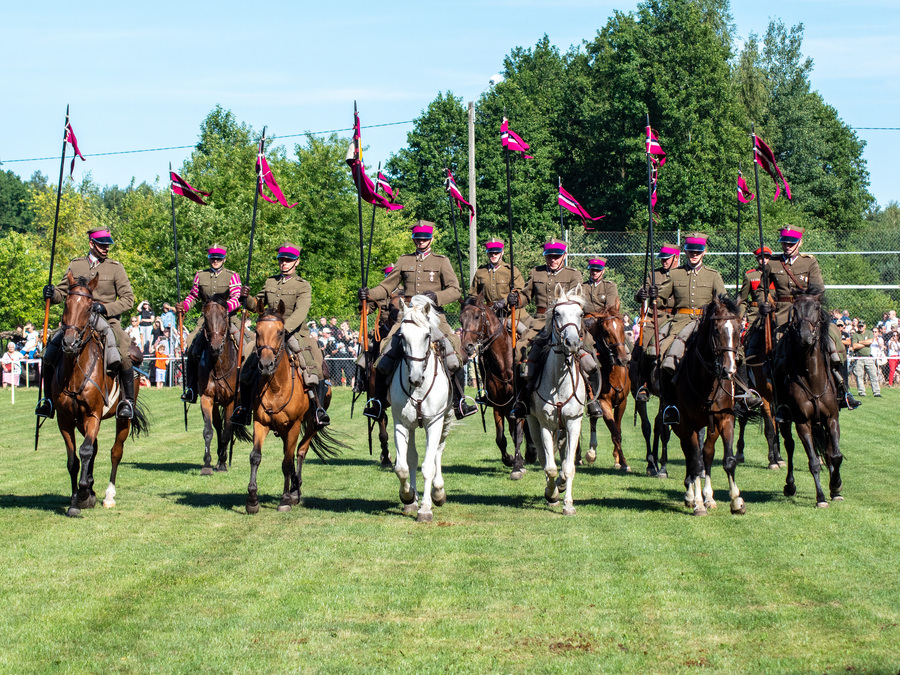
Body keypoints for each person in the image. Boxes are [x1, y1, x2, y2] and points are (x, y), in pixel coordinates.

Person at [358, 221, 476, 420]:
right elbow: (386, 287)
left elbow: (455, 290)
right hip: (409, 316)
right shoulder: (404, 261)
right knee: (384, 352)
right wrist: (368, 294)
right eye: (417, 238)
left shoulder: (441, 261)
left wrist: (436, 297)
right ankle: (378, 402)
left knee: (453, 352)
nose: (420, 242)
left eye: (424, 238)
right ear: (414, 239)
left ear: (431, 239)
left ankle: (460, 401)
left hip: (434, 316)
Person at [755, 226, 860, 416]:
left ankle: (844, 391)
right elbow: (761, 290)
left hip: (809, 313)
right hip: (783, 316)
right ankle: (782, 404)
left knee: (834, 339)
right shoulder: (773, 264)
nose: (787, 246)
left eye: (791, 243)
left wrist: (805, 302)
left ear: (799, 243)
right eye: (784, 243)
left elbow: (819, 289)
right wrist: (764, 304)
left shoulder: (809, 262)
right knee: (776, 357)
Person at [36, 227, 137, 419]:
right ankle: (48, 401)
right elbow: (61, 292)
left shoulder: (115, 267)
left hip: (106, 318)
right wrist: (51, 293)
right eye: (101, 245)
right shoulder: (76, 265)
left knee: (123, 351)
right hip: (76, 319)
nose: (106, 248)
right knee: (49, 351)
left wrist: (105, 308)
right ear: (92, 244)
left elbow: (128, 299)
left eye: (107, 245)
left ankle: (127, 402)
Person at [232, 242, 330, 427]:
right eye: (281, 260)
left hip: (295, 332)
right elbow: (257, 305)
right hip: (269, 334)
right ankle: (244, 409)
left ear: (297, 262)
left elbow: (301, 311)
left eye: (288, 260)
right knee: (247, 362)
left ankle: (318, 409)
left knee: (314, 361)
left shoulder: (303, 285)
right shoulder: (270, 282)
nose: (284, 263)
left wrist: (282, 329)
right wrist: (245, 297)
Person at [509, 238, 603, 420]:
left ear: (564, 256)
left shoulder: (573, 275)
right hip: (540, 322)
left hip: (568, 322)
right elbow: (526, 296)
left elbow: (578, 299)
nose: (553, 259)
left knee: (589, 350)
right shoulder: (536, 273)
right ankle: (522, 399)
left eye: (557, 256)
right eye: (549, 256)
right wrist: (516, 299)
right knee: (519, 353)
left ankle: (591, 397)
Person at [639, 233, 725, 425]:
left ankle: (739, 395)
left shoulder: (713, 275)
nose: (694, 254)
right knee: (658, 352)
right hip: (680, 322)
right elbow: (660, 298)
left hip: (704, 324)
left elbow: (722, 301)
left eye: (698, 251)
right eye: (691, 251)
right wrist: (653, 295)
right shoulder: (675, 274)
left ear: (703, 253)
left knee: (730, 353)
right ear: (685, 252)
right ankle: (670, 404)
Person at [177, 244, 242, 403]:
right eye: (213, 258)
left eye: (218, 258)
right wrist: (184, 306)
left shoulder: (232, 276)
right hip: (206, 321)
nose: (215, 260)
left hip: (228, 318)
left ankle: (243, 387)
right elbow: (193, 296)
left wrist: (225, 307)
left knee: (245, 344)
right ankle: (191, 388)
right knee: (192, 345)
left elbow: (237, 297)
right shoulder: (200, 275)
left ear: (224, 259)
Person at [633, 242, 680, 402]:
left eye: (667, 259)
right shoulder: (654, 275)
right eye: (662, 259)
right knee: (644, 344)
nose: (663, 262)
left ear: (676, 257)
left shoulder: (683, 273)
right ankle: (644, 383)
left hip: (677, 317)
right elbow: (639, 294)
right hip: (656, 318)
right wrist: (643, 294)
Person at [468, 238, 527, 337]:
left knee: (527, 336)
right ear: (487, 253)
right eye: (491, 252)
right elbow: (473, 295)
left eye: (497, 252)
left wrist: (506, 301)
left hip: (511, 314)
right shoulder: (480, 271)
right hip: (489, 315)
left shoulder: (511, 271)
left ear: (502, 252)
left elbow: (522, 294)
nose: (493, 255)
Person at [739, 246, 776, 366]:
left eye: (767, 257)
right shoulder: (750, 276)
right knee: (746, 338)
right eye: (761, 257)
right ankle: (744, 365)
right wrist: (739, 317)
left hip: (775, 312)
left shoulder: (777, 275)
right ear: (757, 259)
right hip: (755, 314)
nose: (764, 260)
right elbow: (743, 299)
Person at [850, 319, 881, 397]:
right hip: (859, 358)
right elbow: (854, 346)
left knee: (873, 374)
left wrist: (859, 342)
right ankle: (861, 392)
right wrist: (865, 343)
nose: (861, 327)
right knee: (859, 375)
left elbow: (870, 341)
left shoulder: (869, 333)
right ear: (858, 326)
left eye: (862, 326)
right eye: (859, 326)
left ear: (865, 326)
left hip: (868, 357)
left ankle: (876, 392)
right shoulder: (855, 335)